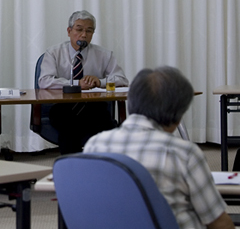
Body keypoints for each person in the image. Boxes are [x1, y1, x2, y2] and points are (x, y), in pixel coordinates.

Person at [84, 67, 234, 229]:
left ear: (131, 102)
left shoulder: (94, 145)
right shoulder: (184, 153)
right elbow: (218, 222)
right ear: (178, 115)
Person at [38, 10, 128, 154]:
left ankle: (105, 164)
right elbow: (44, 81)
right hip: (63, 107)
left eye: (89, 31)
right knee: (69, 124)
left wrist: (100, 82)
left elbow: (122, 80)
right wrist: (76, 84)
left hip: (93, 107)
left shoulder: (104, 55)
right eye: (79, 30)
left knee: (104, 123)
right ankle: (72, 165)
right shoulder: (54, 53)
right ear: (69, 31)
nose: (84, 35)